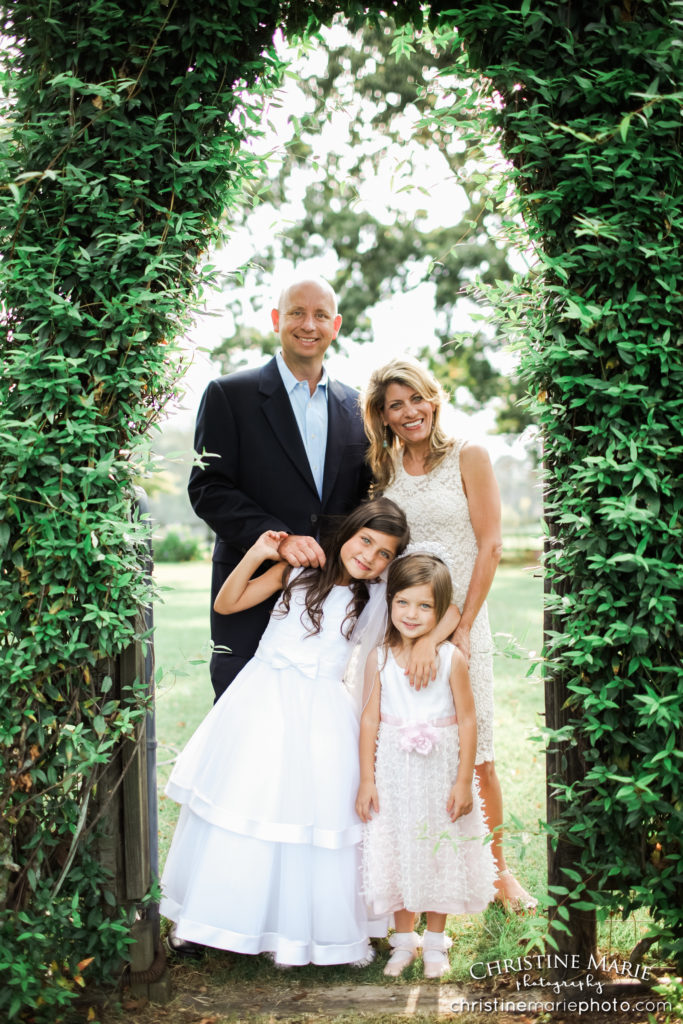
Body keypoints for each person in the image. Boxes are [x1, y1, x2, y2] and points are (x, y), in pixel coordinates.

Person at [160, 498, 410, 967]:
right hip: (260, 701)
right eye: (366, 542)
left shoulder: (373, 600)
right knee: (244, 805)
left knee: (312, 817)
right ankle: (209, 921)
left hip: (322, 710)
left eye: (384, 555)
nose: (370, 557)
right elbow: (226, 603)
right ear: (350, 532)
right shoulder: (297, 572)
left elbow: (405, 634)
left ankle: (304, 930)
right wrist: (258, 553)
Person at [362, 357, 537, 913]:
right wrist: (410, 633)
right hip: (405, 625)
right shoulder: (383, 469)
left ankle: (500, 873)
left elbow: (490, 546)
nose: (409, 411)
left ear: (433, 400)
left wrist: (455, 629)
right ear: (383, 416)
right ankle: (412, 876)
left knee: (475, 747)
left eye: (417, 399)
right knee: (411, 747)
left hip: (462, 624)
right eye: (396, 404)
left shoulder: (470, 455)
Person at [188, 275, 371, 701]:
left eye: (320, 315)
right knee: (243, 727)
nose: (309, 324)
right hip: (250, 595)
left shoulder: (359, 409)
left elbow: (364, 500)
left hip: (329, 609)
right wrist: (278, 538)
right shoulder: (228, 395)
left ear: (336, 325)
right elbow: (208, 488)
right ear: (276, 319)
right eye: (297, 313)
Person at [356, 552, 496, 978]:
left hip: (440, 773)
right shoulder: (378, 658)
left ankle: (435, 942)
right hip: (395, 775)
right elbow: (368, 718)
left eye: (425, 607)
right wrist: (366, 779)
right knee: (399, 848)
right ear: (389, 601)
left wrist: (463, 782)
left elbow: (468, 718)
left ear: (440, 612)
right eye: (403, 603)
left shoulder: (452, 658)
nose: (412, 615)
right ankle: (403, 942)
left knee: (439, 849)